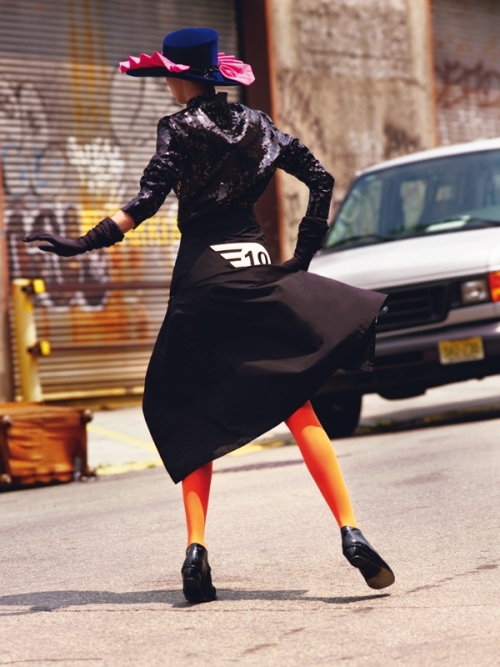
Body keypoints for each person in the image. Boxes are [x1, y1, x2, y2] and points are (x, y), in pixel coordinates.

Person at [25, 27, 395, 603]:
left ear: (180, 79)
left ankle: (196, 550)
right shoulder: (258, 125)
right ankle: (351, 530)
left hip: (203, 276)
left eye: (169, 77)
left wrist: (84, 243)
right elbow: (321, 180)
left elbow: (146, 201)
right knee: (297, 403)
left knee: (189, 406)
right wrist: (301, 258)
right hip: (255, 264)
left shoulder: (178, 128)